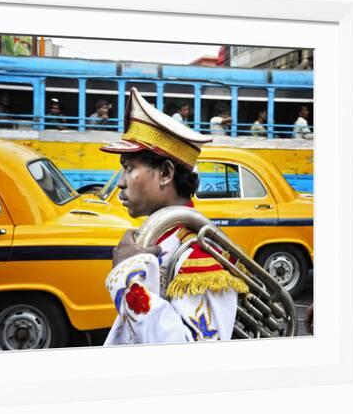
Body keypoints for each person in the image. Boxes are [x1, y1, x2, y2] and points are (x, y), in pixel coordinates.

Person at [99, 88, 248, 345]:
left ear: (166, 174)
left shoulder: (198, 254)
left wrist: (128, 277)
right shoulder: (166, 236)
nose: (121, 183)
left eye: (129, 168)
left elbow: (190, 351)